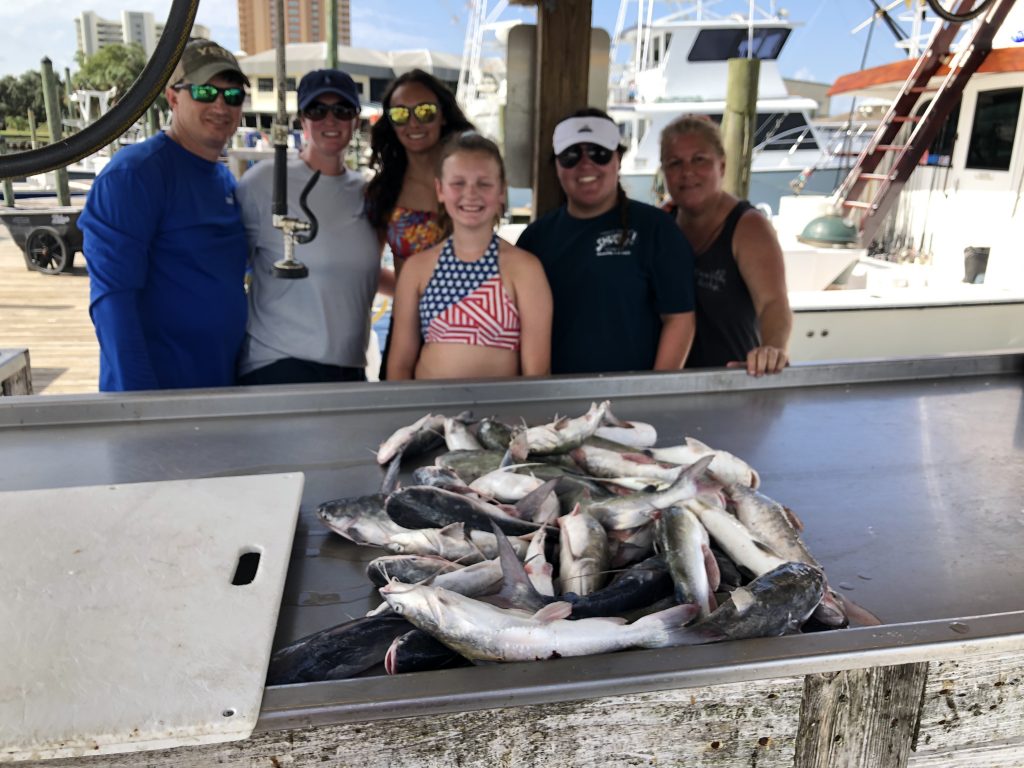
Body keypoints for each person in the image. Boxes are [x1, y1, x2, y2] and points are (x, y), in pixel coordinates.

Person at [78, 38, 249, 391]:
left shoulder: (225, 181)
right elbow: (112, 301)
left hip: (221, 392)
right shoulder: (135, 174)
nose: (220, 105)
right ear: (173, 97)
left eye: (232, 96)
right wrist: (144, 406)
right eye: (205, 92)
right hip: (159, 398)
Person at [516, 109, 696, 375]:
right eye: (571, 155)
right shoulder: (535, 238)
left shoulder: (655, 228)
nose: (586, 164)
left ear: (618, 159)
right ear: (557, 165)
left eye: (599, 153)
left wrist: (653, 390)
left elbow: (679, 319)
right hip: (556, 403)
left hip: (631, 404)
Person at [235, 69, 382, 385]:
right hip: (278, 363)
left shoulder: (367, 193)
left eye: (342, 111)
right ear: (303, 119)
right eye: (318, 110)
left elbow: (359, 270)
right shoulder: (263, 182)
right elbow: (231, 269)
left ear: (355, 121)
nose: (331, 119)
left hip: (350, 367)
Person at [386, 131, 552, 380]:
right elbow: (399, 365)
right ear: (440, 190)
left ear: (501, 193)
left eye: (484, 184)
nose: (471, 193)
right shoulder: (417, 268)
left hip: (499, 414)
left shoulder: (525, 269)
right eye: (458, 183)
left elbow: (536, 374)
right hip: (431, 414)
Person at [660, 115, 792, 376]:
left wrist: (772, 349)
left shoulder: (749, 226)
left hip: (734, 380)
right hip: (670, 383)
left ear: (721, 165)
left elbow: (773, 304)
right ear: (664, 172)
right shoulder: (662, 224)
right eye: (675, 163)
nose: (687, 172)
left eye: (699, 159)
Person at [364, 70, 474, 379]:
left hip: (474, 325)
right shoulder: (383, 192)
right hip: (408, 331)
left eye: (425, 111)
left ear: (443, 115)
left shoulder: (472, 178)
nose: (414, 123)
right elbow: (369, 270)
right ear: (390, 122)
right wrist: (407, 292)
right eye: (401, 114)